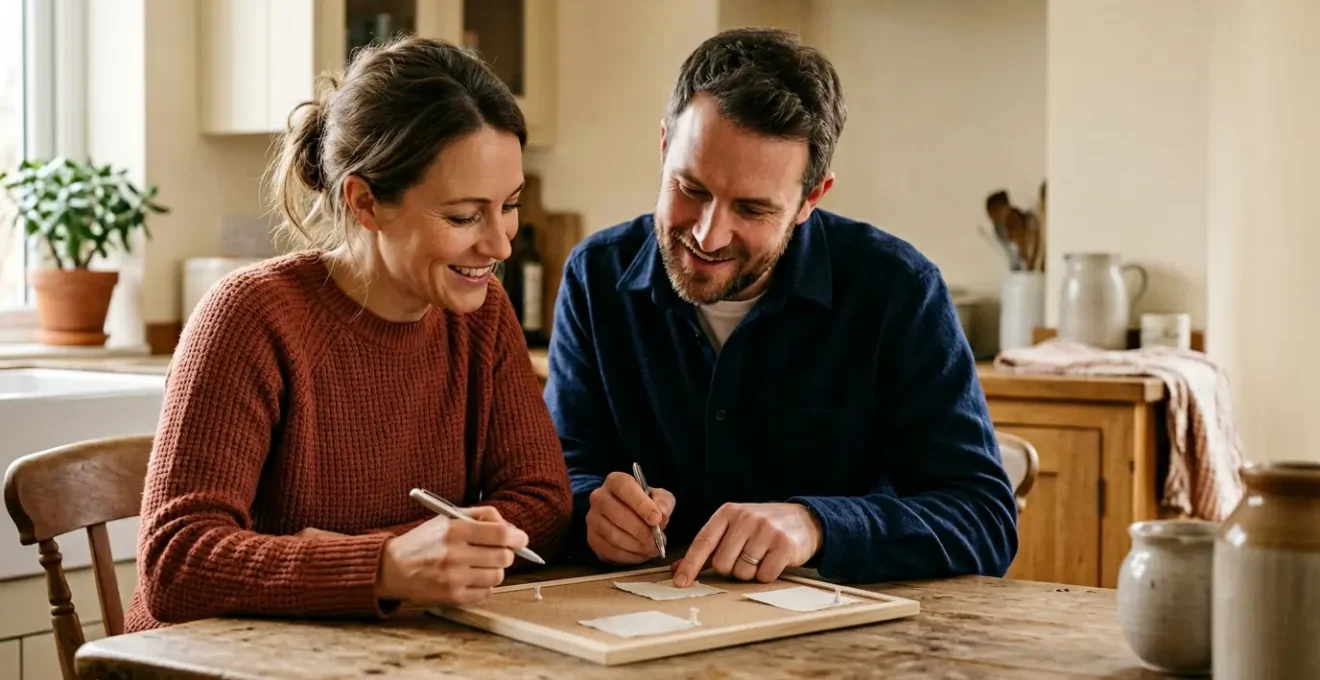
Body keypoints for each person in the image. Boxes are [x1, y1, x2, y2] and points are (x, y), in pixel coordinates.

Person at [125, 36, 572, 632]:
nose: (499, 244)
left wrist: (391, 558)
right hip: (213, 662)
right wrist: (383, 566)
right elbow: (176, 565)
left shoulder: (482, 313)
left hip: (376, 651)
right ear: (365, 201)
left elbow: (541, 500)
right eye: (465, 216)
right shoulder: (250, 316)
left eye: (510, 205)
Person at [545, 28, 1018, 587]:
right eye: (690, 188)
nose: (709, 234)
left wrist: (818, 524)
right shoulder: (594, 276)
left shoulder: (898, 290)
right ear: (664, 144)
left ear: (810, 200)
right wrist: (588, 508)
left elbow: (984, 517)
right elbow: (564, 468)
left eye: (751, 208)